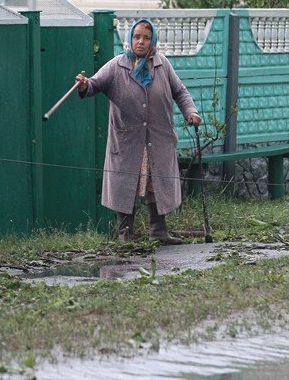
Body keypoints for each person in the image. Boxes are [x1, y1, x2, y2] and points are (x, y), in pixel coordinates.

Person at [76, 18, 201, 244]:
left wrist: (190, 112)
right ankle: (125, 234)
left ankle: (159, 232)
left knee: (157, 183)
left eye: (146, 37)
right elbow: (94, 84)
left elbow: (180, 92)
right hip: (127, 141)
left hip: (157, 138)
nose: (141, 42)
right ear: (129, 39)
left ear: (153, 41)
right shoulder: (117, 65)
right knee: (126, 185)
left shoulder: (162, 65)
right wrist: (84, 85)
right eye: (136, 37)